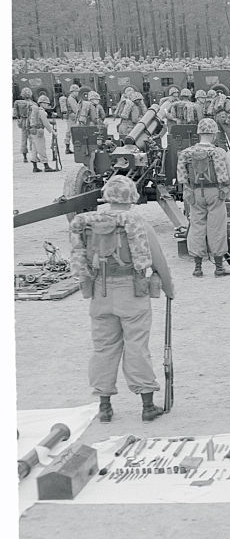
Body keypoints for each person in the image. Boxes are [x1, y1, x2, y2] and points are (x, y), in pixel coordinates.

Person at [68, 175, 175, 423]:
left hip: (99, 293)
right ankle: (147, 406)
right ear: (132, 197)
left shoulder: (86, 224)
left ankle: (104, 406)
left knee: (103, 348)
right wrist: (169, 289)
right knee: (137, 346)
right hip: (131, 291)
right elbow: (158, 262)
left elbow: (79, 258)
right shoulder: (137, 223)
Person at [177, 118, 230, 277]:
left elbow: (181, 178)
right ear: (214, 134)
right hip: (215, 192)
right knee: (217, 228)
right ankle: (218, 267)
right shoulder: (219, 152)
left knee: (196, 226)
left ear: (199, 133)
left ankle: (197, 267)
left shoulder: (186, 153)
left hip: (195, 193)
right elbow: (229, 177)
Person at [26, 94, 59, 173]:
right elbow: (45, 123)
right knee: (41, 148)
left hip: (32, 131)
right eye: (47, 104)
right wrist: (53, 132)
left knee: (34, 149)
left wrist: (51, 122)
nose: (48, 105)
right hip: (39, 131)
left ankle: (35, 166)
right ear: (42, 103)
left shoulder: (35, 110)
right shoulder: (42, 111)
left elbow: (43, 121)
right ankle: (46, 166)